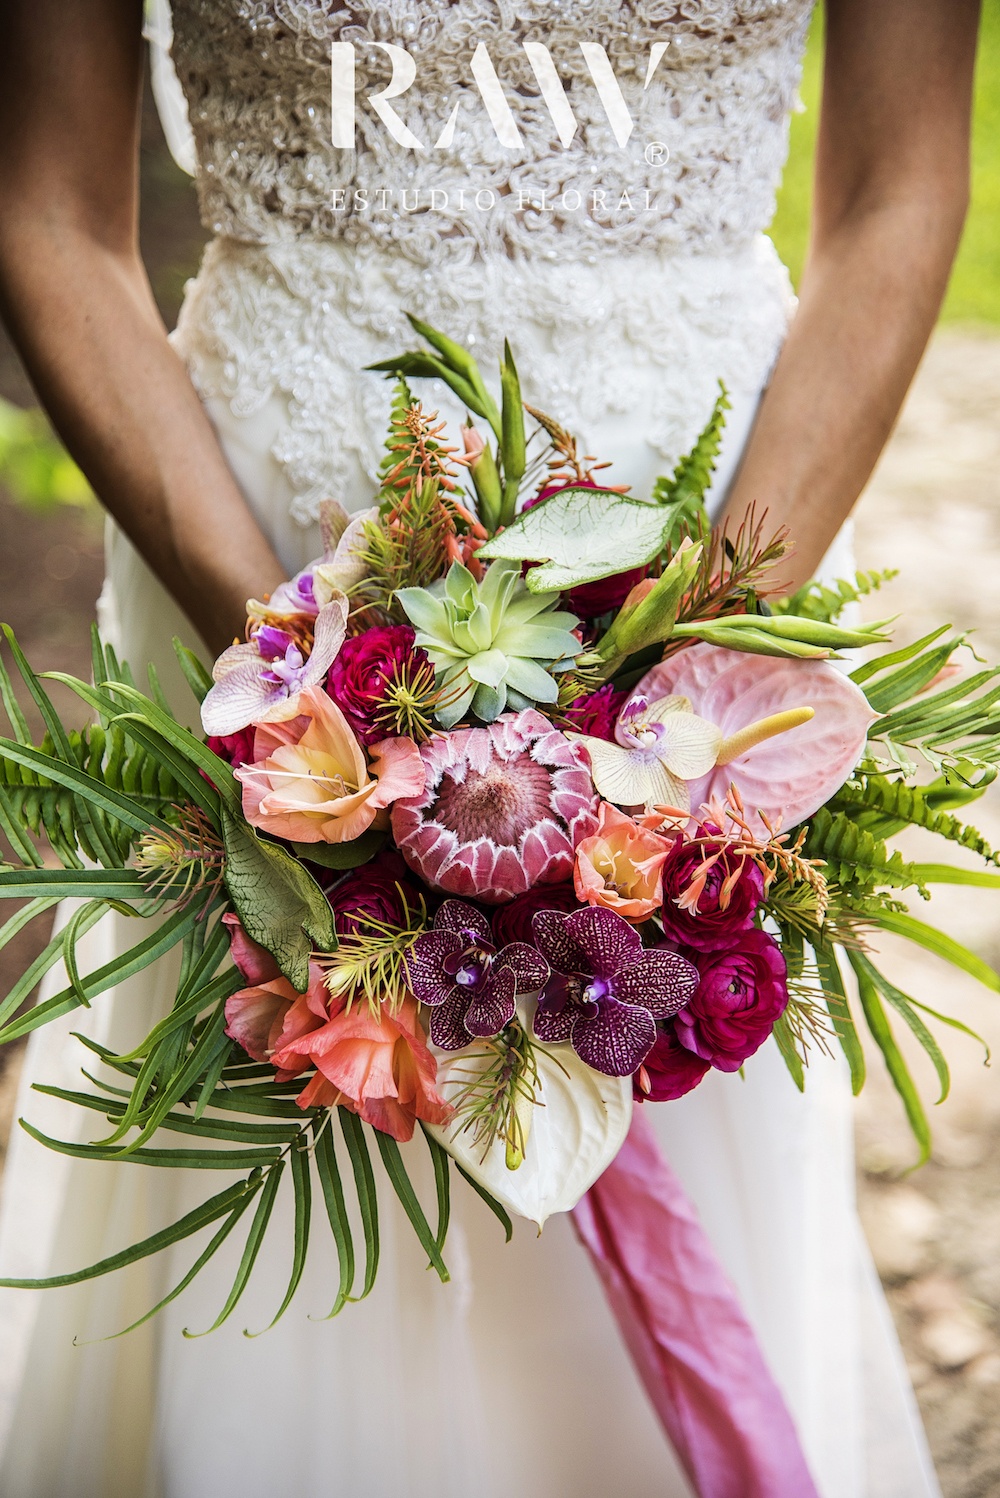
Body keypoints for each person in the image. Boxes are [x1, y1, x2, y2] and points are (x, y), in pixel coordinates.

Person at [0, 2, 981, 1495]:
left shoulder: (695, 642)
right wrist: (306, 681)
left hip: (700, 548)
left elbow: (902, 189)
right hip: (254, 550)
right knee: (274, 1189)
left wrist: (686, 680)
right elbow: (48, 206)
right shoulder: (280, 650)